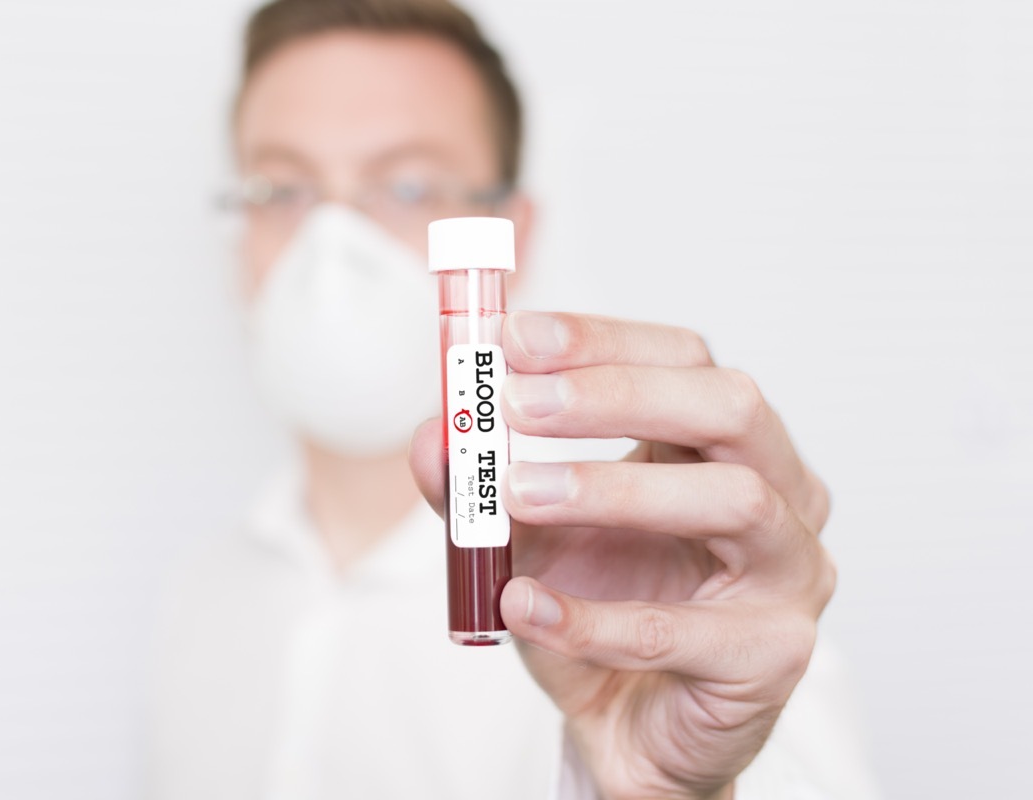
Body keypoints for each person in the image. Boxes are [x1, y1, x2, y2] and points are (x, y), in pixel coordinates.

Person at [150, 1, 881, 798]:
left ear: (510, 234)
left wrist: (680, 790)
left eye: (405, 183)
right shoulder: (203, 595)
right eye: (280, 187)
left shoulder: (664, 604)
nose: (332, 243)